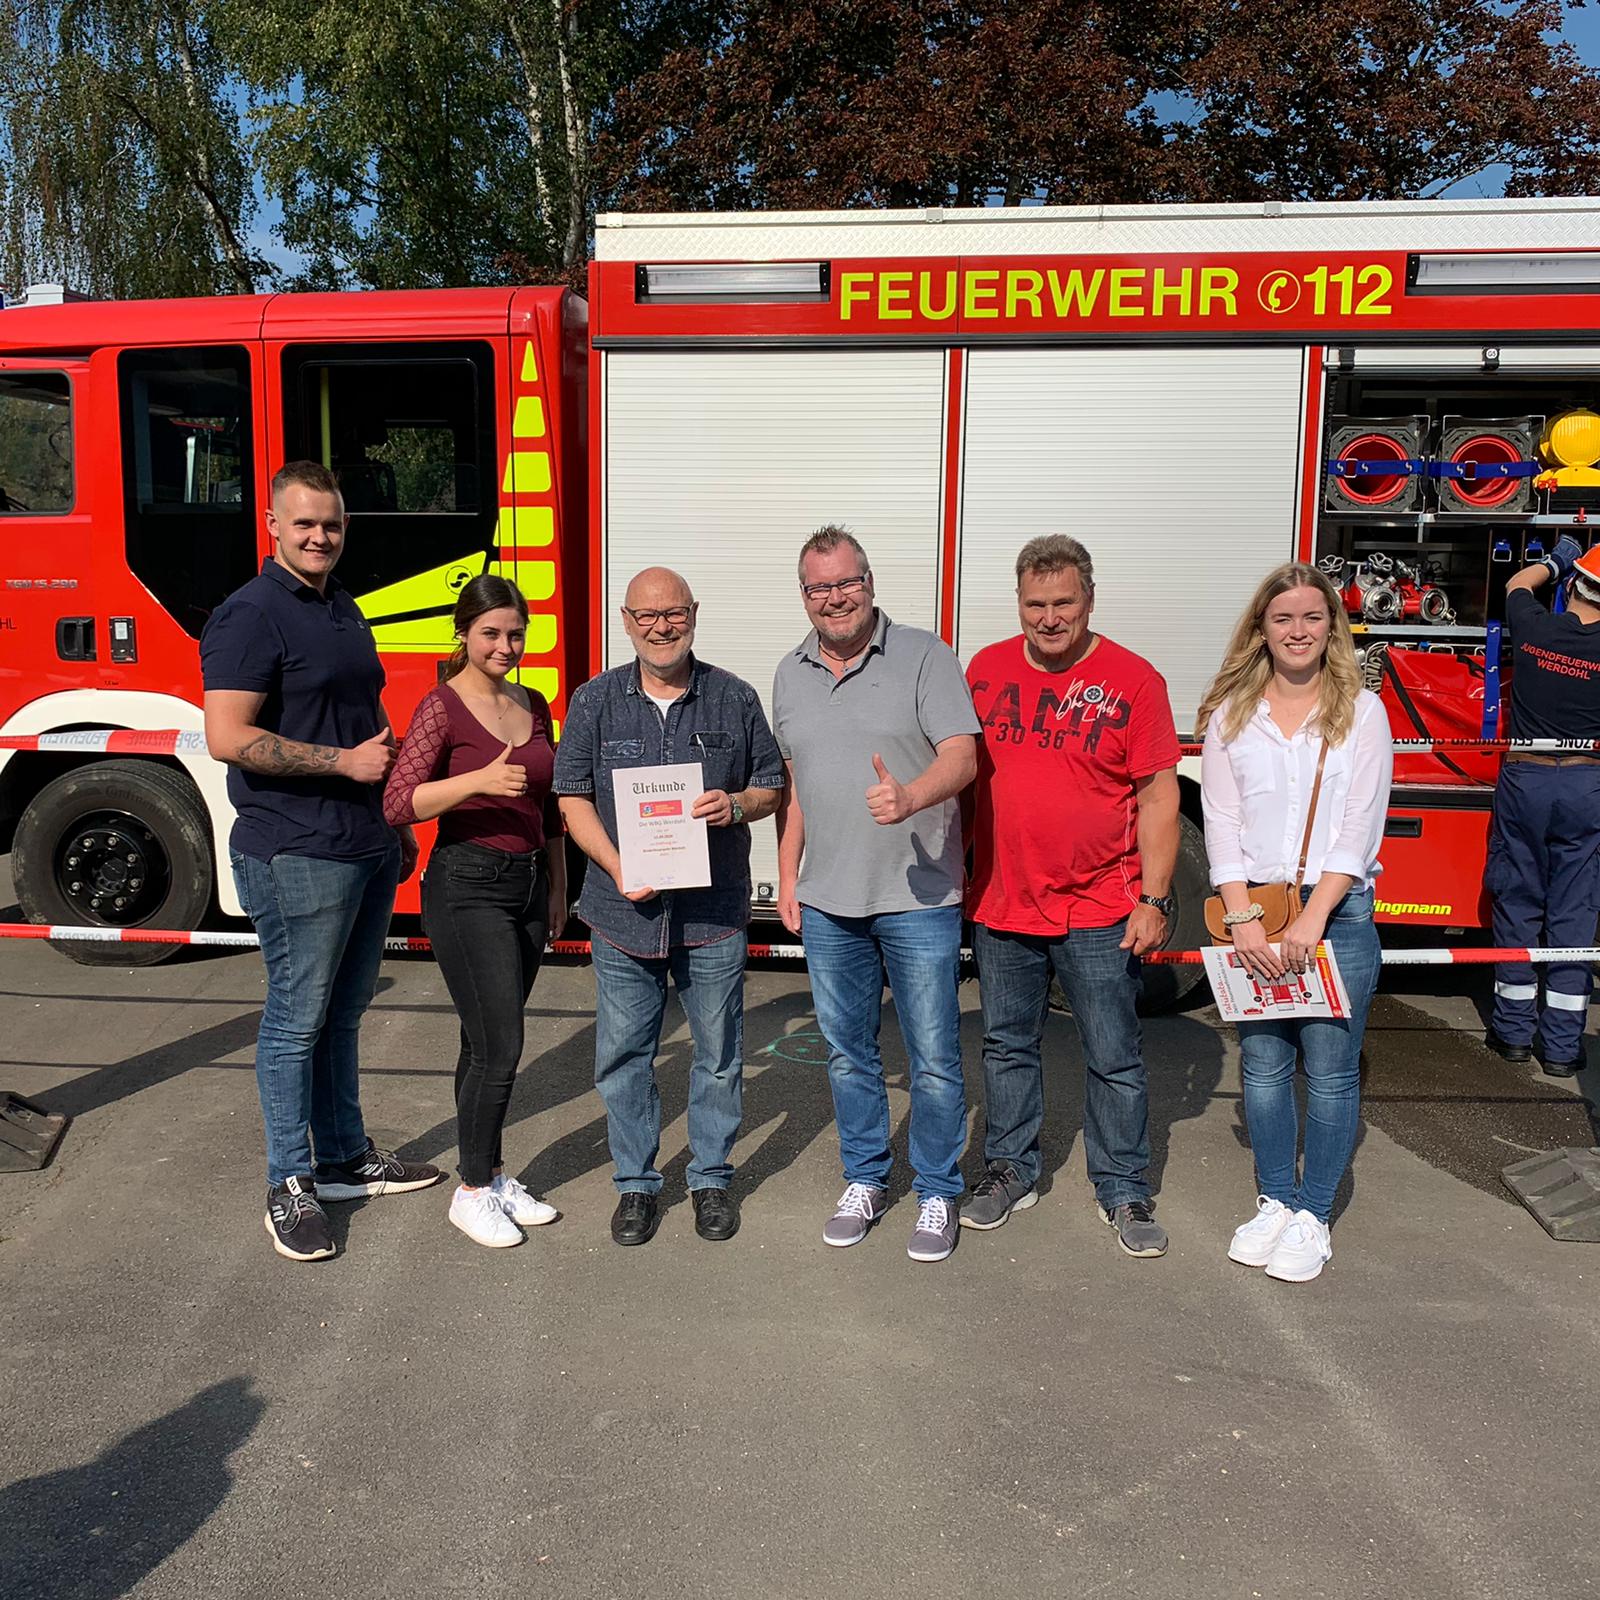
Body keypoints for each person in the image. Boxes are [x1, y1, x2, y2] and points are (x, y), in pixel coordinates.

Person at [201, 461, 442, 1264]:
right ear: (271, 525)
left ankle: (344, 1158)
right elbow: (227, 737)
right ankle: (289, 1181)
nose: (319, 536)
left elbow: (366, 714)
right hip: (294, 846)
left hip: (362, 843)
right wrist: (341, 768)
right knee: (295, 1021)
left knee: (343, 1013)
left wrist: (394, 816)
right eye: (303, 523)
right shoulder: (249, 615)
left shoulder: (342, 606)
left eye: (331, 524)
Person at [962, 535, 1181, 1258]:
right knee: (1005, 1046)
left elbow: (1157, 797)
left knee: (1113, 1054)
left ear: (1090, 600)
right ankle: (1009, 1170)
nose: (1049, 618)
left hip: (1099, 907)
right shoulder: (986, 670)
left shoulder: (1134, 680)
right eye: (1035, 604)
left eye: (1064, 603)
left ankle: (1123, 1187)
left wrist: (1154, 898)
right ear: (1017, 603)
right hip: (1003, 903)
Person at [553, 567, 783, 1247]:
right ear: (626, 620)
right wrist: (620, 866)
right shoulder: (594, 702)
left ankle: (710, 1177)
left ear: (694, 613)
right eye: (647, 615)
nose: (661, 626)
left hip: (712, 915)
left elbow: (770, 785)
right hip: (623, 917)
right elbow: (571, 798)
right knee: (624, 1056)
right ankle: (636, 1186)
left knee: (717, 1054)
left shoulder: (734, 699)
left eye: (674, 613)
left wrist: (736, 805)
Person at [774, 526, 979, 1264]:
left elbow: (963, 755)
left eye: (846, 582)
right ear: (804, 595)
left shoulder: (925, 655)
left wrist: (911, 795)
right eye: (819, 587)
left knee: (931, 1057)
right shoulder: (790, 672)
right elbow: (796, 786)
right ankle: (864, 1178)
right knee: (848, 1055)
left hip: (918, 896)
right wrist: (788, 871)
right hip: (829, 900)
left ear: (870, 581)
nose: (835, 599)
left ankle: (935, 1189)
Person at [1198, 561, 1393, 1284]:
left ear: (1332, 628)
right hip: (1258, 913)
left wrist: (1313, 915)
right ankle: (1275, 1199)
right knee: (1265, 1066)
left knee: (1334, 1074)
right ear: (1262, 629)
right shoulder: (1231, 715)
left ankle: (1313, 1214)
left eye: (1313, 617)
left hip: (1334, 917)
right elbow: (1220, 821)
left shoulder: (1361, 711)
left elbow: (1359, 825)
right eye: (1284, 618)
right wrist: (1243, 916)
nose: (1299, 630)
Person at [382, 575, 568, 1248]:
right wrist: (479, 781)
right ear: (463, 634)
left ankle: (488, 1171)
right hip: (466, 887)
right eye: (491, 632)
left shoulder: (535, 702)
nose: (505, 645)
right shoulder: (442, 706)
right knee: (503, 1045)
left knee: (481, 1041)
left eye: (516, 632)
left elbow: (548, 806)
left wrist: (557, 884)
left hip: (526, 886)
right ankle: (471, 1192)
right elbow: (400, 803)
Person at [1484, 536, 1600, 1077]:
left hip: (1526, 778)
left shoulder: (1534, 626)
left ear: (1574, 585)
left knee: (1519, 898)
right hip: (1587, 786)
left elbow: (1516, 583)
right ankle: (1560, 1048)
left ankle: (1511, 1033)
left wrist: (1555, 559)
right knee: (1575, 912)